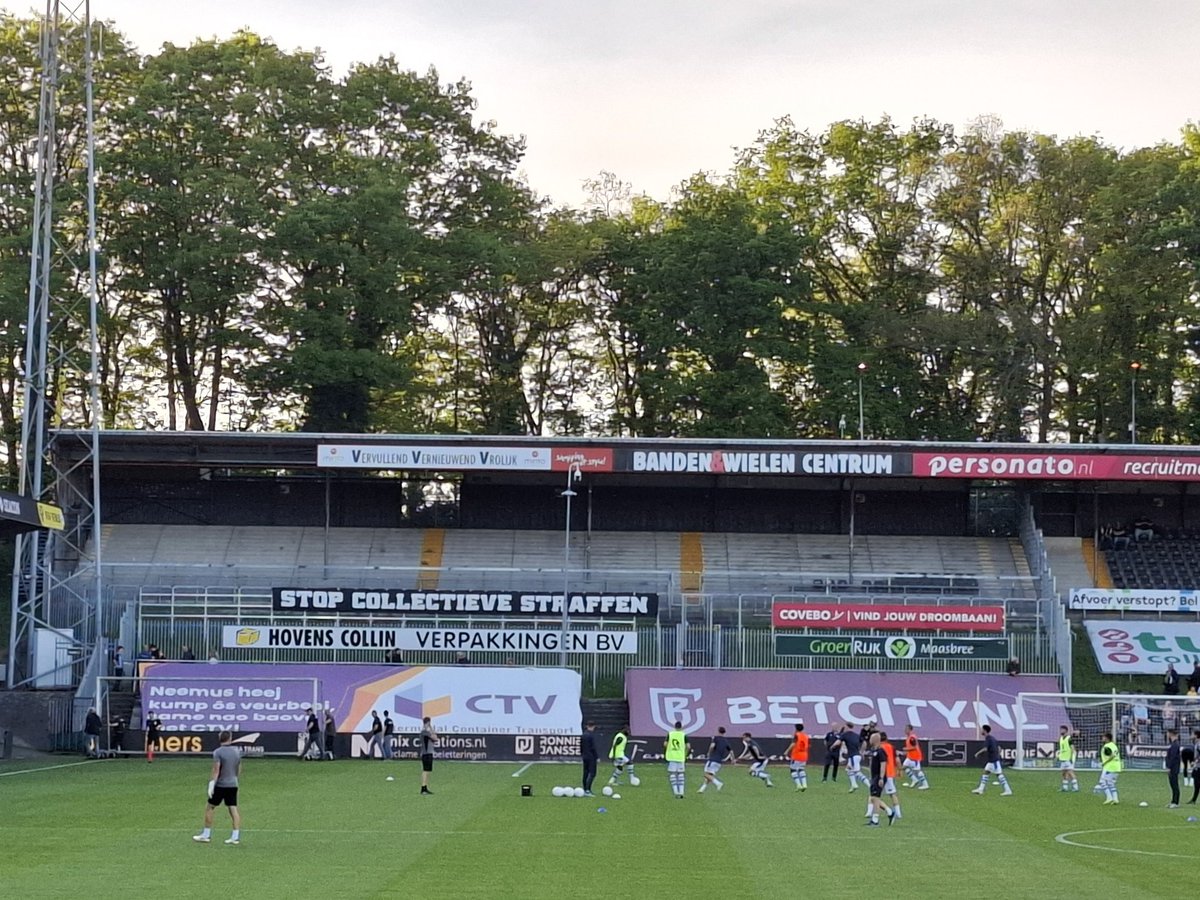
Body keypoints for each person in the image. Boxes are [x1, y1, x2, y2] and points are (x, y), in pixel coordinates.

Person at [193, 730, 242, 845]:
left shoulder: (218, 752)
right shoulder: (237, 751)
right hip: (233, 784)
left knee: (210, 807)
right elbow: (239, 768)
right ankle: (235, 836)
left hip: (221, 785)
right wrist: (235, 779)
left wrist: (212, 784)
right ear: (230, 738)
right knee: (233, 809)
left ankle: (206, 834)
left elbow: (216, 770)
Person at [864, 732, 895, 827]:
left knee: (875, 798)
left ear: (875, 740)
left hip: (879, 777)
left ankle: (875, 820)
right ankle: (890, 812)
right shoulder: (874, 751)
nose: (869, 740)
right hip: (874, 777)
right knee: (873, 798)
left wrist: (881, 777)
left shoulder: (881, 751)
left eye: (871, 738)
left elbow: (883, 764)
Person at [971, 725, 1012, 796]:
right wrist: (997, 755)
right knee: (986, 772)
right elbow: (999, 748)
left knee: (999, 775)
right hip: (992, 760)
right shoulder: (993, 738)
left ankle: (1008, 790)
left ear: (985, 730)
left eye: (982, 730)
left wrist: (977, 753)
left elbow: (985, 749)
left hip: (993, 761)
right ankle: (980, 789)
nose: (981, 731)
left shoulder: (988, 739)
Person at [836, 723, 870, 792]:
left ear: (846, 726)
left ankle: (870, 786)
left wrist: (832, 746)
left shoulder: (845, 735)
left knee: (857, 773)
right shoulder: (856, 735)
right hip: (855, 756)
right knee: (848, 770)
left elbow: (837, 742)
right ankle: (854, 785)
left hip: (853, 756)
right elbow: (864, 743)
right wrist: (862, 752)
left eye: (844, 727)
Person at [699, 726, 732, 793]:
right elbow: (731, 751)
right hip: (719, 762)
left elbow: (712, 746)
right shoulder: (725, 741)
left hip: (713, 759)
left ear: (718, 731)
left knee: (706, 774)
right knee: (710, 776)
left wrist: (709, 752)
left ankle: (718, 783)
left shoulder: (716, 738)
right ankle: (702, 789)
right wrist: (733, 760)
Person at [879, 731, 901, 820]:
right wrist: (899, 770)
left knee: (874, 795)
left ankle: (872, 813)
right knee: (892, 794)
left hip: (882, 774)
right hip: (890, 773)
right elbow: (897, 760)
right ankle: (898, 813)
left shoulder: (879, 747)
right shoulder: (892, 747)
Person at [664, 720, 688, 799]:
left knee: (673, 774)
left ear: (674, 726)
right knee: (681, 774)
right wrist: (685, 753)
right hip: (680, 757)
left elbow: (665, 744)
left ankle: (675, 792)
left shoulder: (670, 734)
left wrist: (669, 749)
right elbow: (688, 746)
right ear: (681, 727)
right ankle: (681, 792)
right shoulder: (684, 735)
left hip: (672, 756)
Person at [783, 723, 809, 792]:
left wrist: (787, 751)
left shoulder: (797, 735)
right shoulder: (805, 736)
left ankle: (799, 785)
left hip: (796, 755)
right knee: (801, 769)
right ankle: (804, 784)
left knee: (793, 770)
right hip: (804, 755)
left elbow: (793, 744)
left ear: (796, 729)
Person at [902, 724, 929, 789]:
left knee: (918, 771)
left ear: (910, 730)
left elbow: (914, 747)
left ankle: (925, 784)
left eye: (906, 729)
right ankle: (914, 780)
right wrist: (905, 752)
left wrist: (906, 749)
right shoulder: (908, 737)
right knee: (904, 767)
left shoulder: (912, 738)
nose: (905, 730)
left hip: (915, 757)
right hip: (910, 757)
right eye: (905, 729)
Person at [1099, 730, 1122, 804]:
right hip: (1117, 767)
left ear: (1106, 738)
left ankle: (1109, 798)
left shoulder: (1107, 746)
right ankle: (1115, 799)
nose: (1102, 738)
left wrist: (1104, 763)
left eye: (1103, 737)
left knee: (1102, 782)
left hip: (1109, 767)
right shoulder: (1114, 745)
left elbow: (1112, 755)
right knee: (1110, 783)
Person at [1057, 725, 1079, 793]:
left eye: (1062, 729)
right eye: (1060, 729)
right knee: (1064, 773)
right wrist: (1058, 756)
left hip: (1068, 758)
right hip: (1063, 758)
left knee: (1070, 772)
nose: (1060, 731)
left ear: (1065, 730)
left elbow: (1072, 749)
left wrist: (1071, 758)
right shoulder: (1061, 738)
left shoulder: (1069, 739)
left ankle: (1075, 787)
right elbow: (1061, 748)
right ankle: (1065, 787)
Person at [419, 716, 437, 795]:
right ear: (428, 722)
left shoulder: (426, 732)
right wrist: (431, 728)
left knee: (427, 771)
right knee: (425, 771)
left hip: (428, 753)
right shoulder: (424, 732)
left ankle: (425, 787)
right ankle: (423, 788)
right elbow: (435, 738)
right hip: (426, 753)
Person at [581, 721, 599, 796]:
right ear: (593, 726)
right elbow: (593, 748)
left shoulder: (583, 735)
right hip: (591, 757)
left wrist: (582, 754)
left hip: (584, 756)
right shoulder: (591, 736)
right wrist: (597, 757)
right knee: (592, 773)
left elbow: (581, 747)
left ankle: (585, 789)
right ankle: (588, 790)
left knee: (585, 773)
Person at [1166, 728, 1181, 808]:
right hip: (1173, 767)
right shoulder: (1173, 744)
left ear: (1171, 734)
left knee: (1174, 784)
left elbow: (1173, 757)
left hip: (1174, 768)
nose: (1167, 735)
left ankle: (1176, 802)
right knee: (1172, 784)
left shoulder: (1175, 744)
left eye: (1167, 733)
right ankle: (1173, 801)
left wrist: (1169, 767)